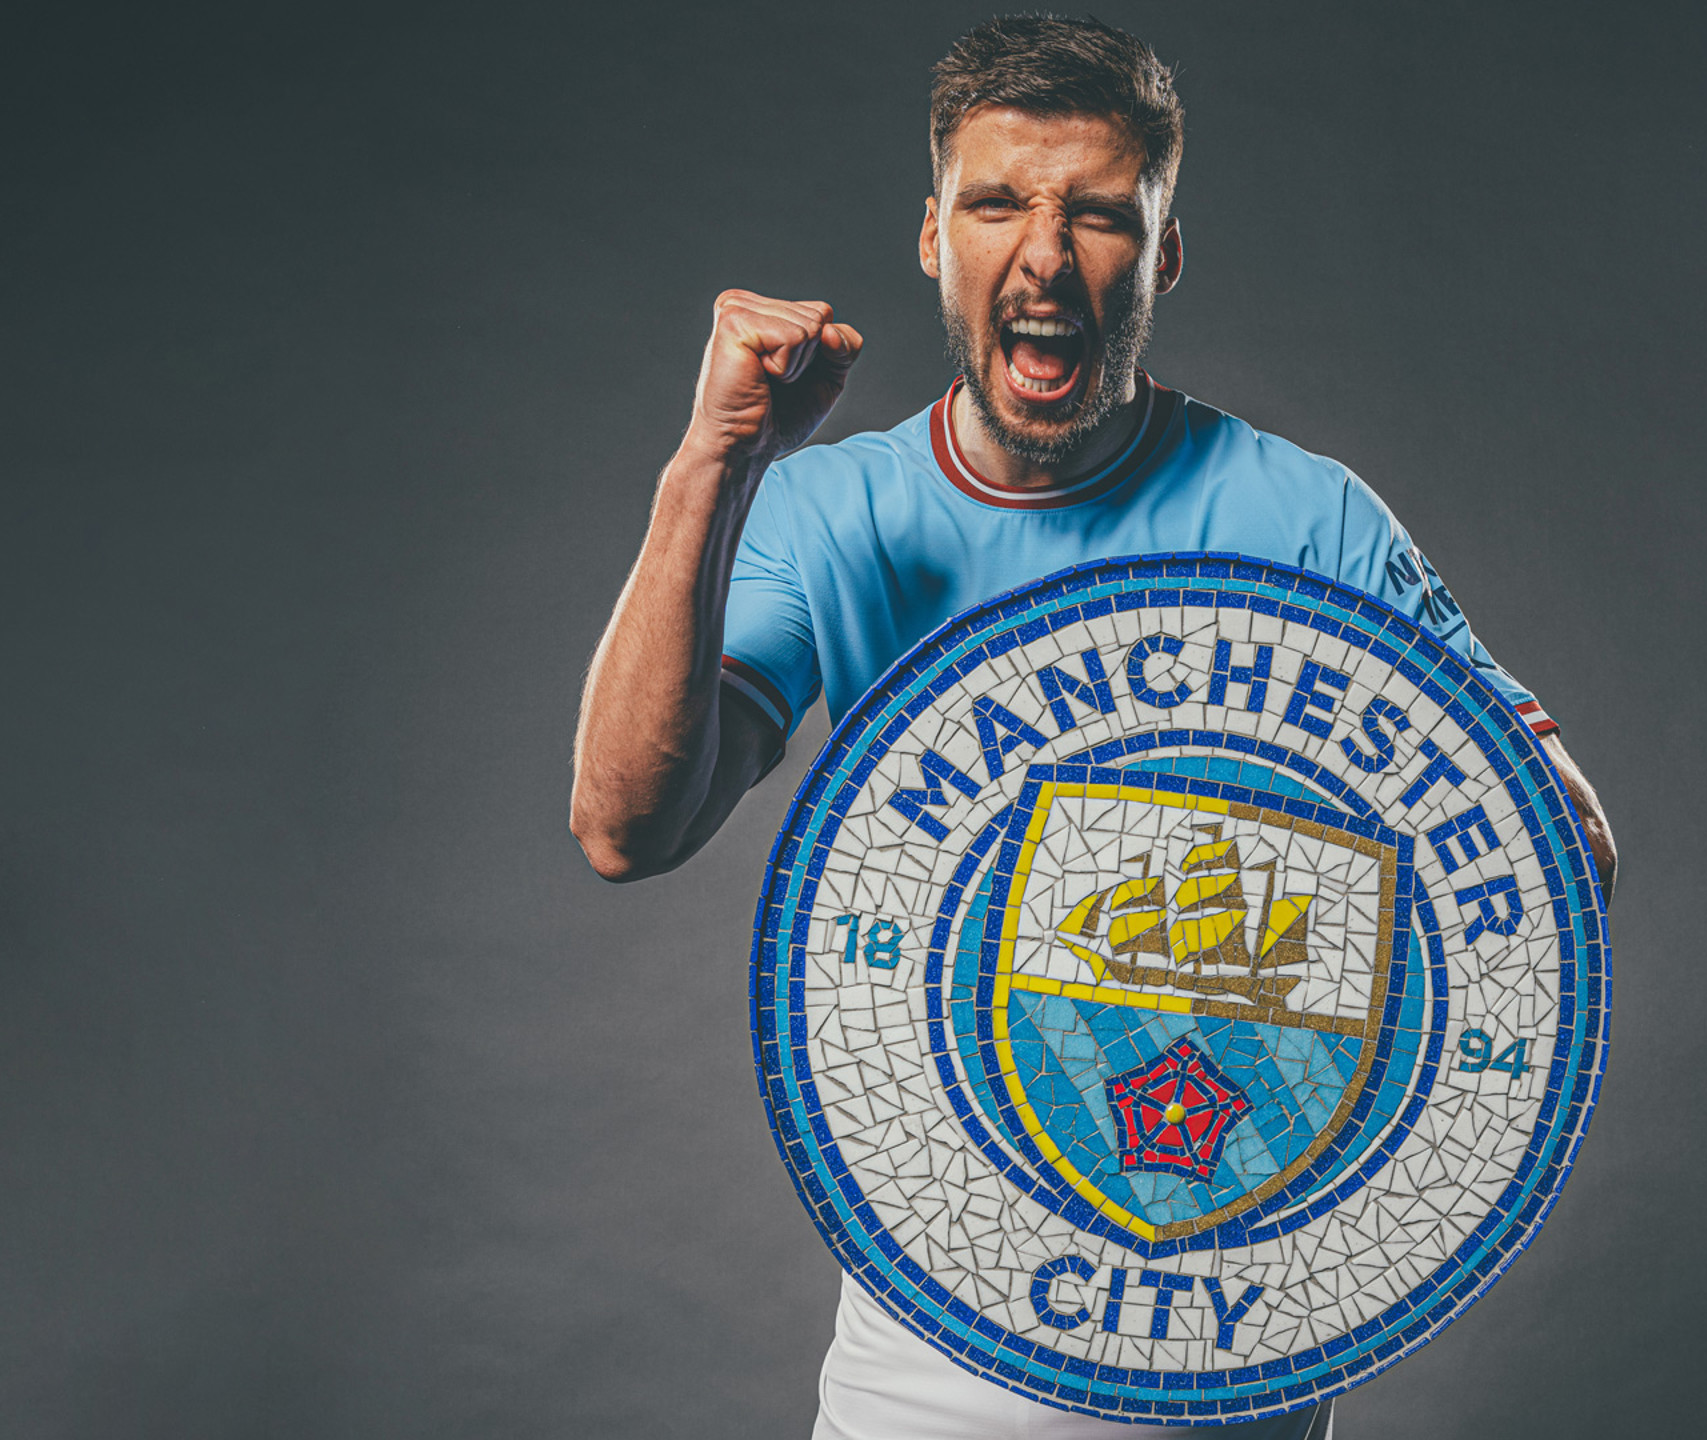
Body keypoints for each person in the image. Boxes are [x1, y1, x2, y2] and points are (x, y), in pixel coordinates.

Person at [570, 16, 1615, 1439]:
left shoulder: (1308, 520)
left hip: (1231, 1359)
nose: (1045, 258)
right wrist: (714, 461)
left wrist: (1190, 888)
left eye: (1101, 215)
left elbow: (1564, 859)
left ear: (1164, 252)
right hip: (921, 1374)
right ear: (934, 237)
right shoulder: (830, 514)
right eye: (997, 204)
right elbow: (626, 827)